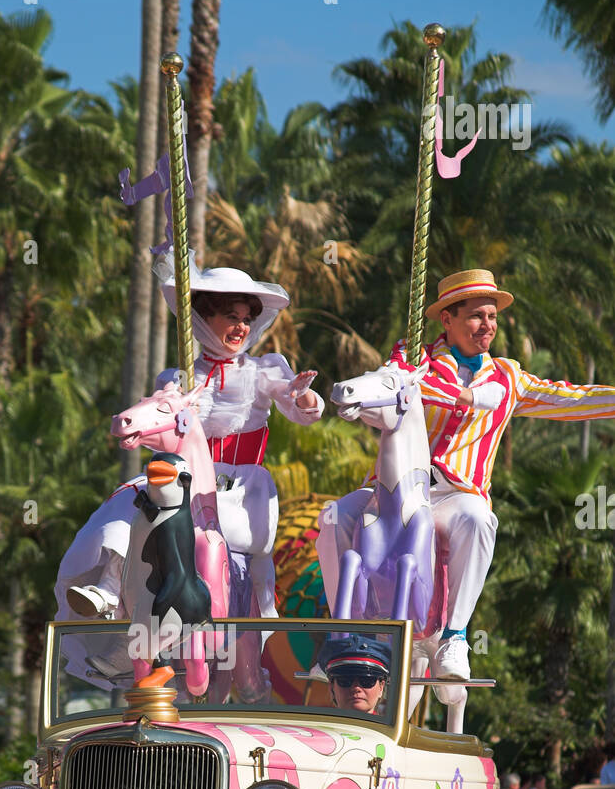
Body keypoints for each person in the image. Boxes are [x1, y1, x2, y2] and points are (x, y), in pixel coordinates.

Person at [319, 268, 615, 680]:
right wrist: (467, 396)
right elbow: (394, 387)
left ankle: (454, 636)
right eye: (477, 316)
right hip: (396, 490)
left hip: (457, 497)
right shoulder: (414, 358)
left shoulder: (508, 377)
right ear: (448, 319)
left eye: (492, 317)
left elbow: (570, 398)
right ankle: (339, 630)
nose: (487, 326)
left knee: (479, 519)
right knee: (333, 517)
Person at [60, 263, 324, 623]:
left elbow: (298, 404)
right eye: (231, 316)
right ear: (203, 318)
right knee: (135, 500)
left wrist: (303, 396)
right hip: (184, 481)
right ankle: (108, 589)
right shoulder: (178, 377)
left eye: (247, 319)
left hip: (241, 491)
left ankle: (261, 611)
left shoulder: (263, 370)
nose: (241, 327)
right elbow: (158, 427)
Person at [316, 633, 392, 716]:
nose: (356, 688)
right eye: (345, 680)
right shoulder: (312, 728)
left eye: (367, 680)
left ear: (381, 687)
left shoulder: (399, 729)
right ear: (332, 687)